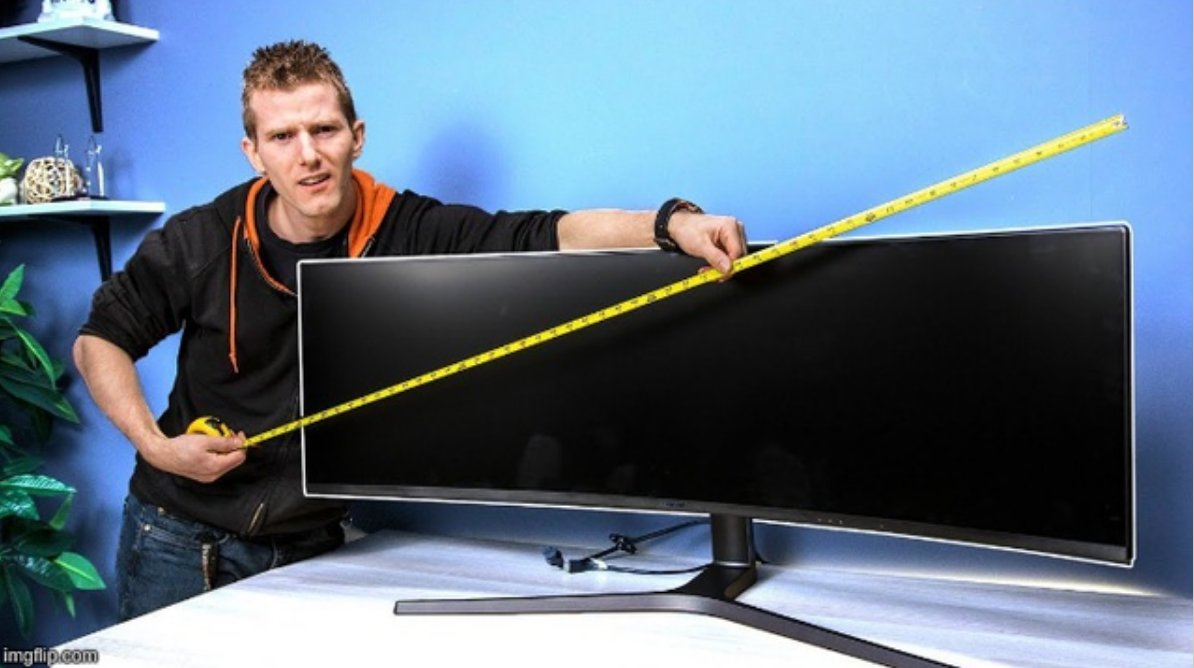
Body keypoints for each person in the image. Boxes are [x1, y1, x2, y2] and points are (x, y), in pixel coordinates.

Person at [72, 40, 747, 621]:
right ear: (254, 153)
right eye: (282, 137)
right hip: (177, 538)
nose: (308, 156)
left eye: (324, 130)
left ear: (357, 135)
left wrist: (671, 223)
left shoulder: (408, 226)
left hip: (313, 547)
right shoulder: (200, 239)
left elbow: (546, 233)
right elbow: (99, 339)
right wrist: (156, 447)